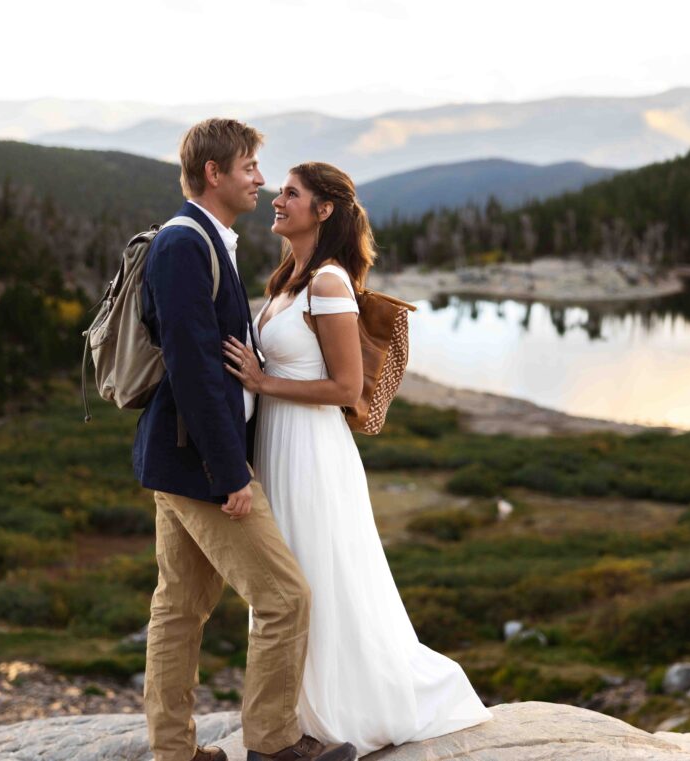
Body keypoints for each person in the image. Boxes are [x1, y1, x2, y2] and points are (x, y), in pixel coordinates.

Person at [224, 162, 493, 757]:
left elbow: (347, 388)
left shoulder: (328, 282)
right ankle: (295, 708)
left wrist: (264, 384)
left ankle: (344, 707)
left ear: (323, 210)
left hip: (312, 450)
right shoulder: (286, 280)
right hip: (278, 445)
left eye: (290, 194)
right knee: (287, 577)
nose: (276, 199)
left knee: (319, 573)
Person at [133, 121, 356, 761]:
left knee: (179, 608)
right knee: (286, 598)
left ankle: (174, 752)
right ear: (214, 174)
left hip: (177, 458)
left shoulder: (210, 241)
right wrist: (231, 473)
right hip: (199, 462)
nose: (261, 179)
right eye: (252, 167)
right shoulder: (184, 245)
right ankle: (274, 745)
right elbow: (195, 371)